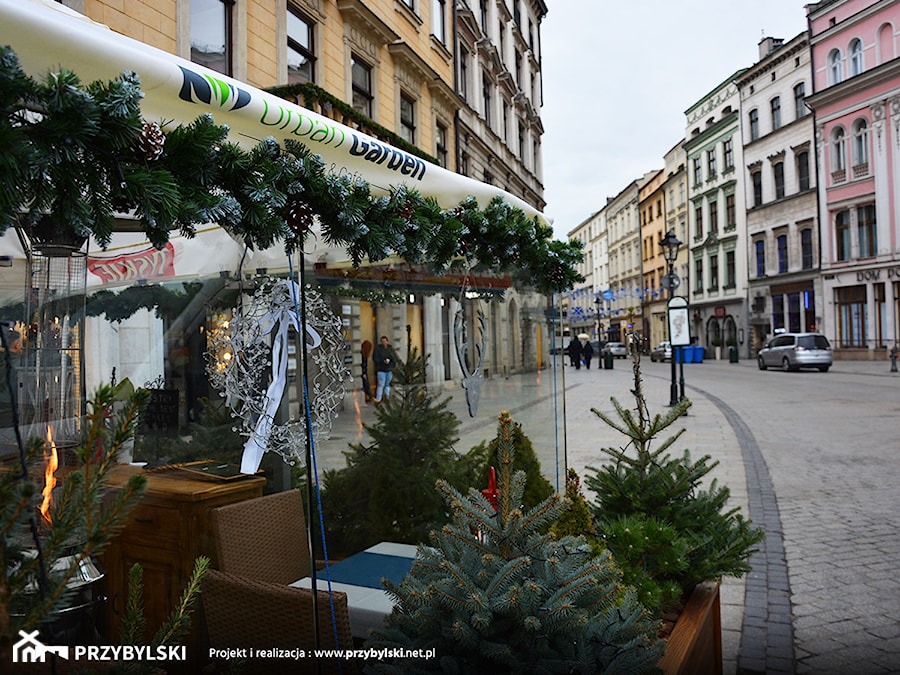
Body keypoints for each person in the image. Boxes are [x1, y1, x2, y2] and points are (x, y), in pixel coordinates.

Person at [372, 335, 396, 403]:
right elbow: (375, 359)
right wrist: (383, 361)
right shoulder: (378, 349)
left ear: (387, 341)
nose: (384, 343)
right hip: (381, 369)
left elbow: (394, 358)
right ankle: (378, 398)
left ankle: (387, 398)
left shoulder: (390, 348)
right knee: (381, 384)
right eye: (382, 341)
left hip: (389, 369)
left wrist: (391, 365)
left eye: (385, 341)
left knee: (387, 384)